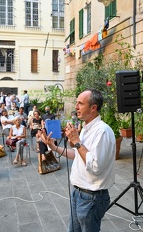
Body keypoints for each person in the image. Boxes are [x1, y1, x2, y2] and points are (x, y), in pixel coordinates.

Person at [40, 88, 116, 232]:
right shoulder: (86, 128)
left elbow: (95, 167)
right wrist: (52, 147)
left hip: (91, 198)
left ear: (93, 108)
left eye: (80, 103)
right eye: (76, 103)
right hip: (78, 193)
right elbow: (77, 155)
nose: (76, 107)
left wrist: (76, 141)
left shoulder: (103, 132)